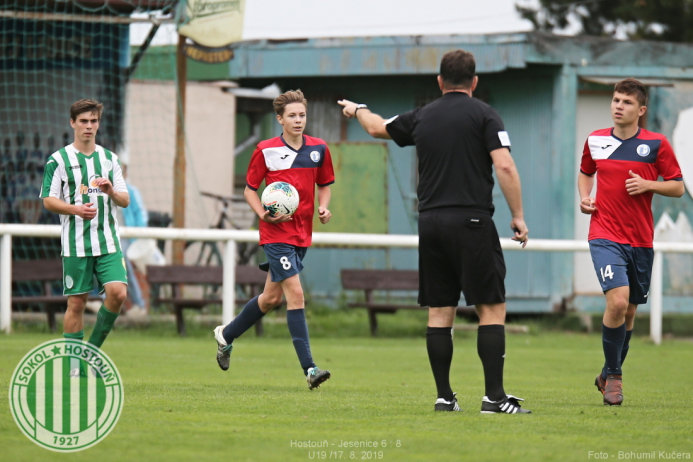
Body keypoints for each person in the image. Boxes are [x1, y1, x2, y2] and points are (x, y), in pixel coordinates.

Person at [338, 49, 530, 414]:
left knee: (440, 312)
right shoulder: (486, 115)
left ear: (440, 82)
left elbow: (377, 127)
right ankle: (494, 398)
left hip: (431, 223)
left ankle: (445, 398)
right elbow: (504, 166)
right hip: (472, 222)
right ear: (474, 82)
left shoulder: (422, 116)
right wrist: (518, 215)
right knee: (491, 307)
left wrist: (358, 108)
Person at [213, 90, 335, 390]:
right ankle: (310, 369)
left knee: (270, 299)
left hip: (302, 235)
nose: (298, 120)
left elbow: (325, 184)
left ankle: (226, 335)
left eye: (302, 115)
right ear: (279, 119)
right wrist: (263, 215)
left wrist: (324, 206)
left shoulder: (319, 148)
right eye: (291, 116)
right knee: (296, 295)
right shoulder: (265, 150)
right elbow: (249, 189)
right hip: (275, 234)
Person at [578, 78, 684, 406]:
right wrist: (585, 198)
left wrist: (649, 185)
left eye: (625, 102)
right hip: (604, 234)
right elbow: (586, 172)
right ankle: (616, 378)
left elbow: (678, 186)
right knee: (618, 303)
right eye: (615, 100)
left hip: (640, 240)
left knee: (630, 314)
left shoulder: (657, 144)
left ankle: (606, 373)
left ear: (640, 110)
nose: (618, 106)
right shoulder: (595, 140)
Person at [40, 98, 130, 353]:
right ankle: (74, 364)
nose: (88, 126)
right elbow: (48, 200)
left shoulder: (110, 159)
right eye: (83, 121)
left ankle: (91, 351)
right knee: (77, 304)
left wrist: (111, 190)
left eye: (93, 121)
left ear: (98, 124)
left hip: (108, 242)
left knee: (118, 293)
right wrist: (75, 209)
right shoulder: (57, 160)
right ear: (73, 123)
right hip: (75, 244)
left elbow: (124, 200)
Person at [120, 162, 149, 315]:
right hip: (107, 237)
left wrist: (139, 237)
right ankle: (97, 299)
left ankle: (139, 303)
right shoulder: (100, 191)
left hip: (126, 237)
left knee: (121, 259)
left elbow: (140, 215)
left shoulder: (131, 192)